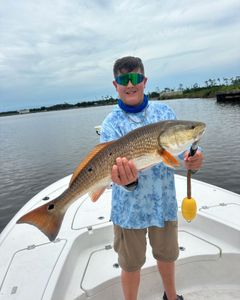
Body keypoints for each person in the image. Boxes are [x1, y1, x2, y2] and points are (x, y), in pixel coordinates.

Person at [100, 56, 203, 300]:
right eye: (123, 80)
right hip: (128, 210)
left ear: (144, 81)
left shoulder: (165, 112)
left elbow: (184, 150)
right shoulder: (110, 124)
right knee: (130, 264)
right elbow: (110, 172)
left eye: (135, 78)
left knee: (167, 256)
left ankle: (171, 296)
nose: (130, 84)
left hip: (163, 203)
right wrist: (129, 181)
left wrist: (194, 160)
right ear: (115, 85)